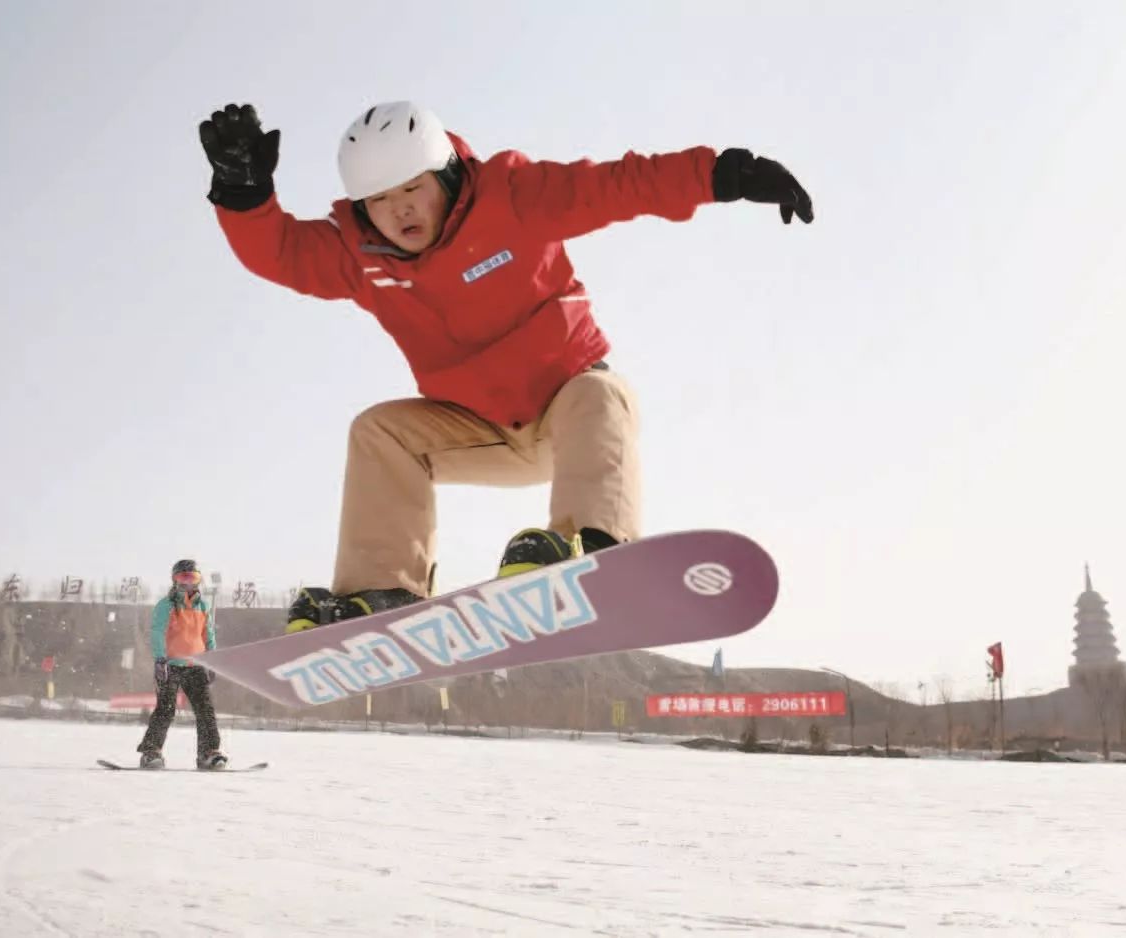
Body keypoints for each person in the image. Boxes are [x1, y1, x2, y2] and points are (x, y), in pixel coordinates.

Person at [199, 101, 813, 632]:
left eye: (413, 189)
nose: (400, 211)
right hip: (475, 427)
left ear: (445, 173)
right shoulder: (358, 254)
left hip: (565, 414)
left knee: (601, 394)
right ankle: (382, 592)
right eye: (381, 200)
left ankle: (594, 548)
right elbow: (280, 254)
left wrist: (722, 174)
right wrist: (244, 193)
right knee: (380, 432)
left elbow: (621, 185)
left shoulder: (513, 196)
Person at [134, 559, 226, 770]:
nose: (188, 584)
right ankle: (151, 751)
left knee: (205, 710)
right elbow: (157, 632)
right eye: (183, 578)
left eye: (192, 578)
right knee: (165, 709)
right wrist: (160, 659)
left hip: (195, 666)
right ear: (174, 581)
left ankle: (208, 753)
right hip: (170, 665)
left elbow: (208, 634)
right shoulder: (166, 605)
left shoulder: (203, 606)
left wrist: (212, 661)